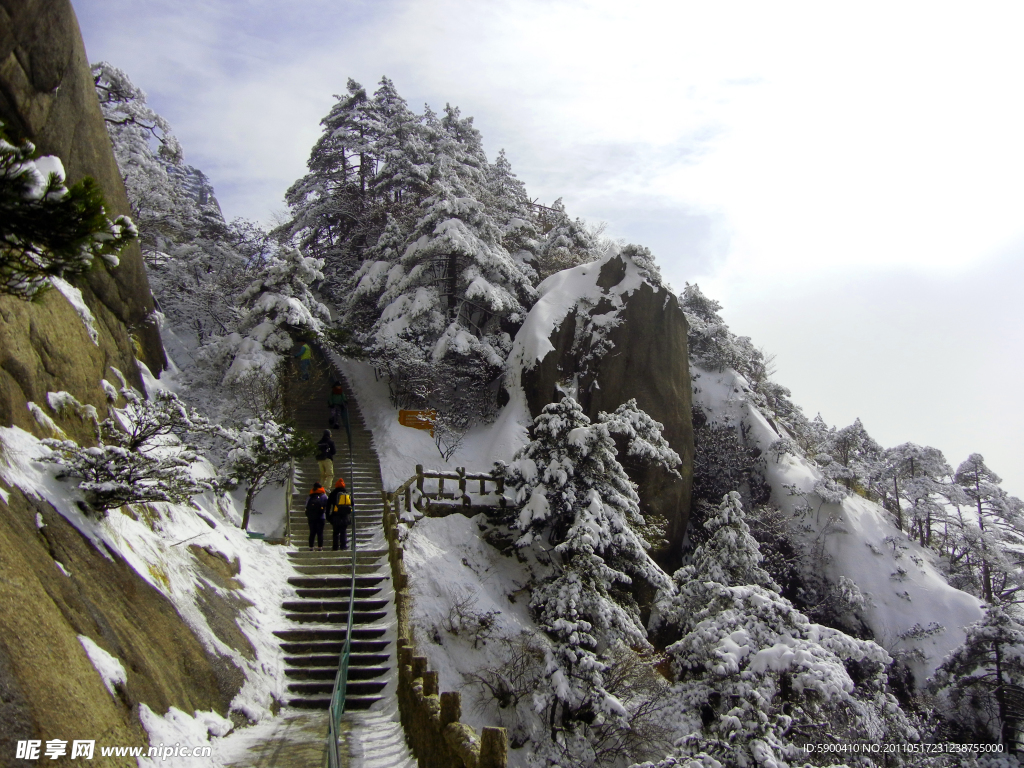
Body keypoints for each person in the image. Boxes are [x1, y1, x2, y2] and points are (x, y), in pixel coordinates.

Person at [326, 477, 353, 551]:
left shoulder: (333, 493)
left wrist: (328, 516)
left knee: (336, 532)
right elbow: (352, 503)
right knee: (343, 531)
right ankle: (343, 546)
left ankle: (335, 547)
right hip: (345, 516)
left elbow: (328, 505)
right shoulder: (347, 493)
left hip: (335, 516)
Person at [305, 483, 328, 551]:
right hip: (321, 517)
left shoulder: (310, 496)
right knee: (320, 533)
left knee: (312, 532)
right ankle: (320, 547)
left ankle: (311, 547)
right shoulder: (324, 496)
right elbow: (327, 505)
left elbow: (306, 505)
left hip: (311, 517)